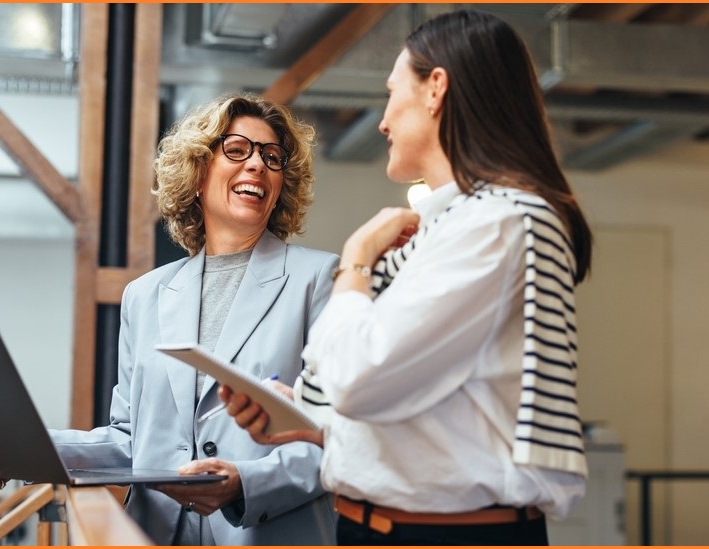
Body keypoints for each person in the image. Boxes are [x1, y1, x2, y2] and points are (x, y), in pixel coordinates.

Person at [220, 9, 594, 546]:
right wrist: (304, 420)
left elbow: (356, 377)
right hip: (387, 526)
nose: (383, 120)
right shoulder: (461, 224)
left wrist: (357, 259)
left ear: (436, 88)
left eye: (394, 92)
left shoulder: (499, 222)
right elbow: (428, 413)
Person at [0, 93, 339, 545]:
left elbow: (338, 436)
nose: (257, 164)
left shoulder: (320, 279)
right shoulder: (145, 296)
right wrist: (26, 450)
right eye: (237, 150)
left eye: (271, 156)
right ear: (198, 172)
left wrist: (245, 482)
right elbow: (130, 440)